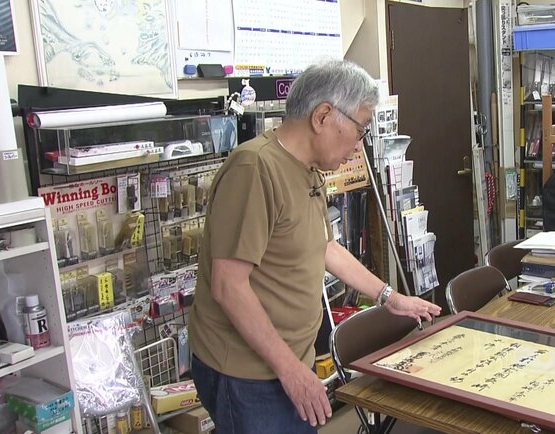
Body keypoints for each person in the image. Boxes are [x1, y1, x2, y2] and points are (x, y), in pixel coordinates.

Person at [189, 59, 442, 434]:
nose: (358, 147)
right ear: (323, 116)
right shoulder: (254, 169)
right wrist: (291, 371)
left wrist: (389, 297)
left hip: (286, 361)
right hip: (248, 372)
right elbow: (229, 285)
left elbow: (324, 246)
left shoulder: (308, 169)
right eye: (359, 131)